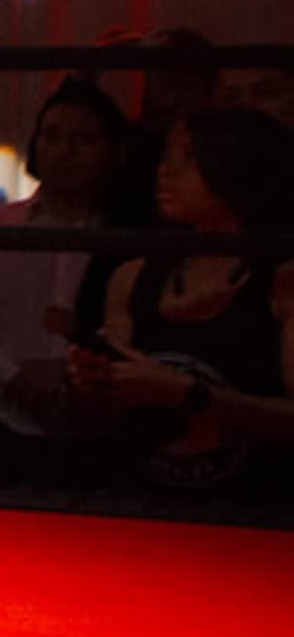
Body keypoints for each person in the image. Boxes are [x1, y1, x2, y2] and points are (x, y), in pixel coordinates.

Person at [66, 107, 294, 491]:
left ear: (235, 163)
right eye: (166, 157)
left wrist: (188, 394)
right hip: (145, 506)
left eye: (187, 157)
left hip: (256, 513)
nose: (165, 171)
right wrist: (94, 383)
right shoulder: (134, 277)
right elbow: (101, 419)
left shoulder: (282, 281)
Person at [0, 79, 127, 469]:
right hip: (6, 429)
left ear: (112, 152)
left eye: (83, 139)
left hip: (111, 432)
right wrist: (12, 376)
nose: (65, 151)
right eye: (52, 137)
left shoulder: (130, 235)